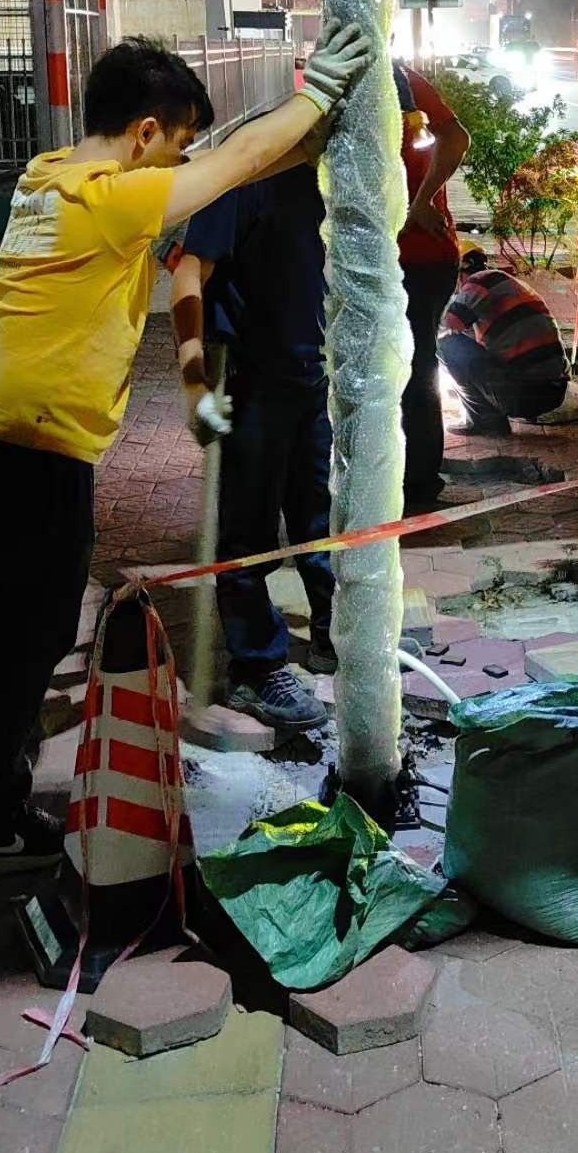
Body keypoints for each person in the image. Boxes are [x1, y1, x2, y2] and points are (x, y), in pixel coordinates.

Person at [0, 23, 371, 875]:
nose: (178, 158)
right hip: (35, 451)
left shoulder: (50, 177)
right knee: (25, 636)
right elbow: (234, 164)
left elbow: (232, 163)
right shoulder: (114, 200)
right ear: (145, 131)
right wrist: (317, 93)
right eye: (172, 140)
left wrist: (310, 136)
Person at [168, 153, 334, 735]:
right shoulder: (247, 173)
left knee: (323, 517)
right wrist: (195, 382)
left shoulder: (341, 173)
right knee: (246, 532)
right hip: (255, 382)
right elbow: (189, 272)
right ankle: (256, 668)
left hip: (319, 377)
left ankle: (330, 633)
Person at [395, 62, 470, 513]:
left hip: (423, 256)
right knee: (410, 365)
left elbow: (456, 137)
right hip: (402, 258)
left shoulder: (402, 80)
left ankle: (417, 482)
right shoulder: (340, 80)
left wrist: (419, 202)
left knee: (415, 364)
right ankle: (409, 478)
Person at [438, 248, 569, 436]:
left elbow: (450, 324)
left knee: (447, 346)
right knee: (464, 345)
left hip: (524, 394)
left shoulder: (478, 283)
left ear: (458, 273)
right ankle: (506, 410)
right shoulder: (504, 283)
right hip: (554, 393)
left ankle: (486, 421)